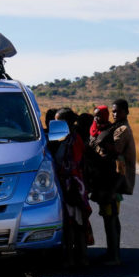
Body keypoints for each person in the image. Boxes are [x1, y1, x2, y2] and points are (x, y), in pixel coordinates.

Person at [52, 109, 92, 267]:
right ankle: (78, 257)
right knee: (73, 224)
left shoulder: (73, 140)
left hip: (73, 186)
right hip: (70, 185)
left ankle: (76, 258)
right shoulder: (65, 139)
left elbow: (73, 165)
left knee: (75, 224)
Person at [86, 105, 123, 265]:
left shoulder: (111, 132)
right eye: (95, 116)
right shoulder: (94, 131)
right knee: (108, 218)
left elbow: (117, 156)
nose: (97, 119)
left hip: (109, 182)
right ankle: (111, 253)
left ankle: (114, 256)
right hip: (100, 182)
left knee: (111, 219)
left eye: (100, 116)